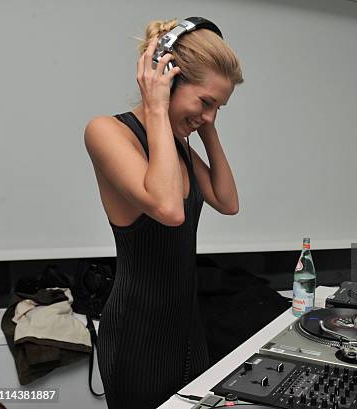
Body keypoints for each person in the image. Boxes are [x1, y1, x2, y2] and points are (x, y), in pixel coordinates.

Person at [84, 18, 243, 409]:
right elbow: (169, 210)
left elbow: (227, 201)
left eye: (218, 107)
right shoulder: (107, 132)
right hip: (137, 338)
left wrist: (205, 127)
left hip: (189, 331)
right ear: (167, 80)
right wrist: (156, 107)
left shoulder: (178, 146)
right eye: (206, 102)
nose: (209, 115)